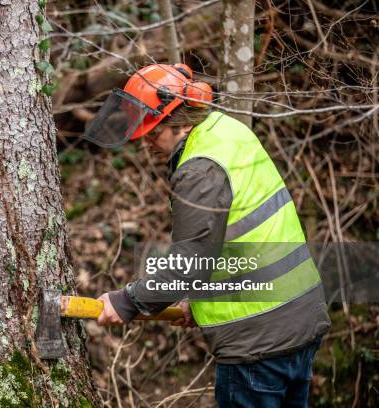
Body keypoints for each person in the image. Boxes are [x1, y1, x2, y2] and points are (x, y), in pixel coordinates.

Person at [82, 63, 331, 408]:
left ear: (181, 125)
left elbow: (189, 263)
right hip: (299, 316)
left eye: (153, 134)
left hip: (256, 343)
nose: (148, 146)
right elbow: (234, 239)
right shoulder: (228, 130)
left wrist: (127, 301)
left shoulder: (200, 168)